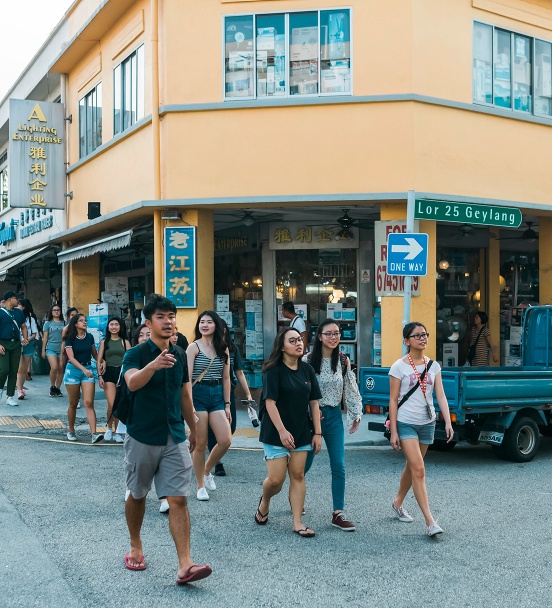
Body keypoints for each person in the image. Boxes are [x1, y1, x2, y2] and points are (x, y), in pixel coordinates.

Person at [122, 293, 212, 585]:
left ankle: (185, 564)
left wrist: (194, 428)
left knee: (178, 499)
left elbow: (185, 395)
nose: (168, 321)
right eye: (161, 317)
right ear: (148, 323)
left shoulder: (180, 354)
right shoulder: (135, 354)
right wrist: (154, 365)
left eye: (171, 316)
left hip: (174, 434)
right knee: (138, 494)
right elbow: (132, 383)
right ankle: (136, 544)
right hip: (142, 434)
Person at [388, 322, 454, 537]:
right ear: (407, 340)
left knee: (412, 467)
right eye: (417, 336)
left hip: (428, 422)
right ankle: (430, 521)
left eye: (425, 334)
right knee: (419, 469)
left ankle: (397, 502)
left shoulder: (434, 366)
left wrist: (447, 421)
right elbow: (393, 399)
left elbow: (440, 394)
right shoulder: (398, 367)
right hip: (406, 423)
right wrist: (395, 431)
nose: (422, 338)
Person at [256, 327, 322, 538]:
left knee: (298, 475)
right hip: (276, 431)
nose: (298, 344)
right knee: (276, 480)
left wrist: (317, 433)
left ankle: (297, 522)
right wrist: (282, 431)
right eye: (292, 341)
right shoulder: (272, 370)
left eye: (300, 340)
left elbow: (314, 403)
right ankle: (265, 501)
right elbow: (270, 403)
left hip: (301, 429)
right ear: (282, 346)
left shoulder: (307, 370)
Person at [303, 319, 363, 531]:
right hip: (311, 419)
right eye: (328, 333)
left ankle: (338, 513)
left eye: (336, 333)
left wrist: (356, 413)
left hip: (334, 416)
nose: (333, 337)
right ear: (319, 336)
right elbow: (301, 391)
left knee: (338, 464)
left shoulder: (343, 360)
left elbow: (351, 387)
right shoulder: (307, 361)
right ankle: (296, 498)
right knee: (304, 465)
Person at [187, 311, 232, 501]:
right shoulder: (193, 347)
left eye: (209, 322)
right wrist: (189, 405)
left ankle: (206, 470)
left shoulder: (224, 349)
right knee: (201, 443)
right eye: (202, 322)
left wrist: (228, 404)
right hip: (198, 395)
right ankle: (200, 485)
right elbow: (187, 379)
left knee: (225, 439)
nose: (205, 325)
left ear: (217, 326)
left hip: (217, 396)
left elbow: (227, 378)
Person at [208, 320, 253, 477]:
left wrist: (248, 394)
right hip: (210, 392)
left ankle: (214, 456)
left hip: (228, 392)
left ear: (225, 331)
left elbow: (238, 372)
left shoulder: (232, 349)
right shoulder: (204, 347)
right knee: (211, 429)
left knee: (230, 427)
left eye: (221, 329)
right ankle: (216, 463)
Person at [63, 313, 103, 444]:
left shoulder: (90, 337)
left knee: (89, 403)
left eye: (85, 321)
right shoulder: (70, 338)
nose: (84, 323)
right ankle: (71, 430)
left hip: (88, 370)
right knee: (73, 403)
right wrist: (84, 370)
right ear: (75, 324)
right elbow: (71, 358)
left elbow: (95, 354)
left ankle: (94, 434)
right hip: (73, 371)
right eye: (81, 321)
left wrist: (101, 362)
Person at [122, 323, 151, 504]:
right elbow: (129, 384)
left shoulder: (169, 354)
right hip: (135, 414)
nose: (145, 337)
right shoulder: (133, 355)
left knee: (160, 458)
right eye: (141, 335)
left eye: (148, 334)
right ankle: (130, 488)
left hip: (160, 416)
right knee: (135, 458)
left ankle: (164, 497)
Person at [97, 316, 131, 443]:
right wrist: (100, 376)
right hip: (108, 373)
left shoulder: (125, 342)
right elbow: (99, 359)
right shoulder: (104, 342)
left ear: (120, 327)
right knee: (112, 403)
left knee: (119, 403)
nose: (114, 327)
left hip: (122, 374)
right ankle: (109, 428)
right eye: (111, 324)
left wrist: (126, 375)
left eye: (116, 324)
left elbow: (129, 360)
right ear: (108, 327)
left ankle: (117, 432)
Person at [0, 291, 29, 407]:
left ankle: (10, 396)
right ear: (9, 299)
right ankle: (0, 388)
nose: (18, 301)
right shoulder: (0, 312)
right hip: (3, 343)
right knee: (4, 369)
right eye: (16, 298)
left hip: (16, 344)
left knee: (13, 370)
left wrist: (25, 338)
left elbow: (23, 326)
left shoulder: (18, 312)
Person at [16, 299, 39, 400]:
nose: (17, 306)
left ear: (24, 307)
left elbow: (34, 334)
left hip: (28, 345)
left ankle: (21, 388)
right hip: (17, 345)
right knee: (20, 369)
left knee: (25, 369)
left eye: (19, 304)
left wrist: (27, 340)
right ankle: (19, 390)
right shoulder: (15, 318)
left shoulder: (31, 319)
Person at [42, 305, 65, 397]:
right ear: (51, 312)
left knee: (60, 368)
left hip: (62, 349)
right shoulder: (47, 323)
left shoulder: (64, 323)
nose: (56, 312)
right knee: (54, 367)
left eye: (58, 310)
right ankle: (52, 386)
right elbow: (45, 337)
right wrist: (43, 350)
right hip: (50, 348)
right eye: (54, 310)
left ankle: (58, 388)